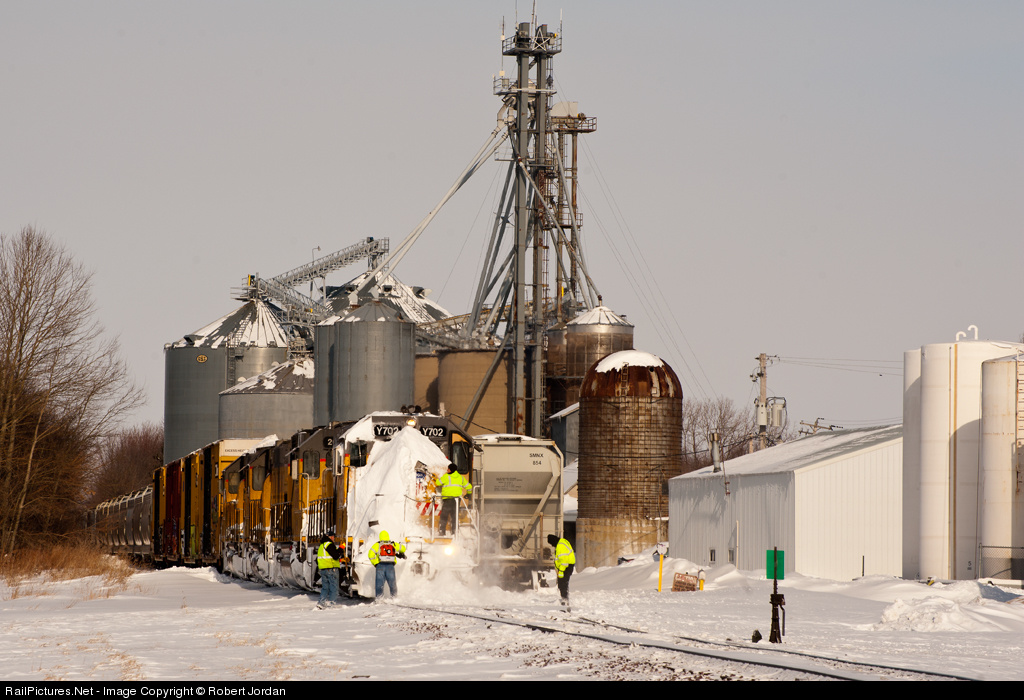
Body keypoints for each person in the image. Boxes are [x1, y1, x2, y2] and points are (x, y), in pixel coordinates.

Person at [434, 464, 472, 536]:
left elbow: (437, 483)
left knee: (444, 516)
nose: (447, 470)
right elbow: (469, 486)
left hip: (448, 499)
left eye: (448, 469)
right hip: (456, 500)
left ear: (451, 470)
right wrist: (469, 494)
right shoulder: (460, 477)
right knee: (455, 517)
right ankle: (454, 532)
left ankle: (442, 532)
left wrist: (437, 478)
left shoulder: (446, 476)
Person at [368, 530, 406, 599]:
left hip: (380, 566)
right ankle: (394, 598)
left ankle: (379, 599)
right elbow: (403, 548)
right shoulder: (393, 544)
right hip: (390, 566)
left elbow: (370, 554)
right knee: (392, 583)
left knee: (379, 584)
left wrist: (375, 563)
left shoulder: (377, 545)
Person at [316, 528, 344, 609]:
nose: (334, 538)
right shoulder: (329, 544)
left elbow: (326, 558)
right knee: (334, 587)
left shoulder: (322, 546)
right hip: (331, 569)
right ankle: (332, 604)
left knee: (325, 587)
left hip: (323, 569)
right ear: (331, 537)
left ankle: (321, 602)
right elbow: (335, 555)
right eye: (333, 537)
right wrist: (341, 548)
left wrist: (340, 560)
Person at [548, 534, 575, 610]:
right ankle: (565, 598)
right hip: (566, 566)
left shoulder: (560, 546)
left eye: (551, 543)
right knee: (563, 583)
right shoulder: (561, 542)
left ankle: (565, 599)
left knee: (562, 583)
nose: (552, 545)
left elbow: (564, 560)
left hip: (566, 567)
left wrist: (561, 571)